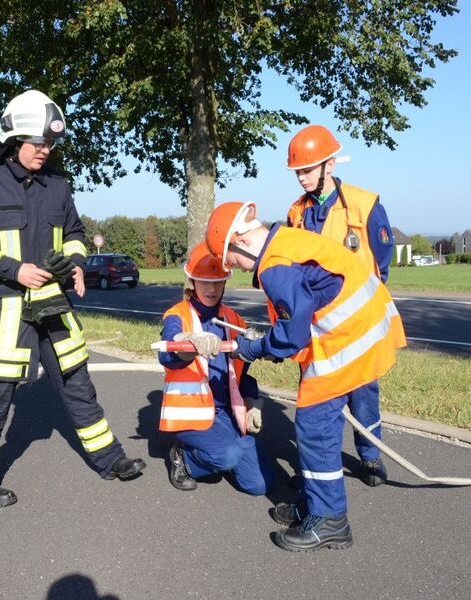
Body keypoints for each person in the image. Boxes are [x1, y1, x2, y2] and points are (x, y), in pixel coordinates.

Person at [0, 90, 145, 508]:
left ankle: (110, 459)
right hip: (5, 308)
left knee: (78, 381)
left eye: (50, 143)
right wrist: (14, 269)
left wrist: (76, 262)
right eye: (38, 143)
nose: (45, 150)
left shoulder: (58, 185)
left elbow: (75, 233)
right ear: (13, 140)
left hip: (54, 304)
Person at [205, 201, 406, 551]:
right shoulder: (285, 240)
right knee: (316, 423)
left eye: (232, 261)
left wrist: (251, 349)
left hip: (351, 339)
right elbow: (303, 310)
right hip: (362, 328)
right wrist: (275, 343)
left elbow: (291, 335)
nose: (235, 270)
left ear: (240, 241)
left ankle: (330, 521)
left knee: (314, 427)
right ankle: (316, 504)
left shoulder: (274, 266)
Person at [285, 124, 395, 486]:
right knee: (318, 399)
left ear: (329, 165)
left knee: (364, 395)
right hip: (317, 329)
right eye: (297, 171)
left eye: (307, 169)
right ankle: (319, 466)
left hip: (358, 327)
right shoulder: (296, 214)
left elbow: (382, 264)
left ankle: (371, 456)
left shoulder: (365, 205)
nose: (301, 178)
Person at [158, 241, 274, 495]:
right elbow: (167, 354)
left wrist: (253, 402)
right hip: (191, 416)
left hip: (225, 414)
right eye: (203, 281)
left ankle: (221, 451)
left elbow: (240, 372)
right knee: (228, 456)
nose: (211, 288)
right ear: (191, 281)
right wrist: (187, 343)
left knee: (260, 484)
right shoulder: (177, 315)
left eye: (217, 281)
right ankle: (184, 459)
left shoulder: (233, 320)